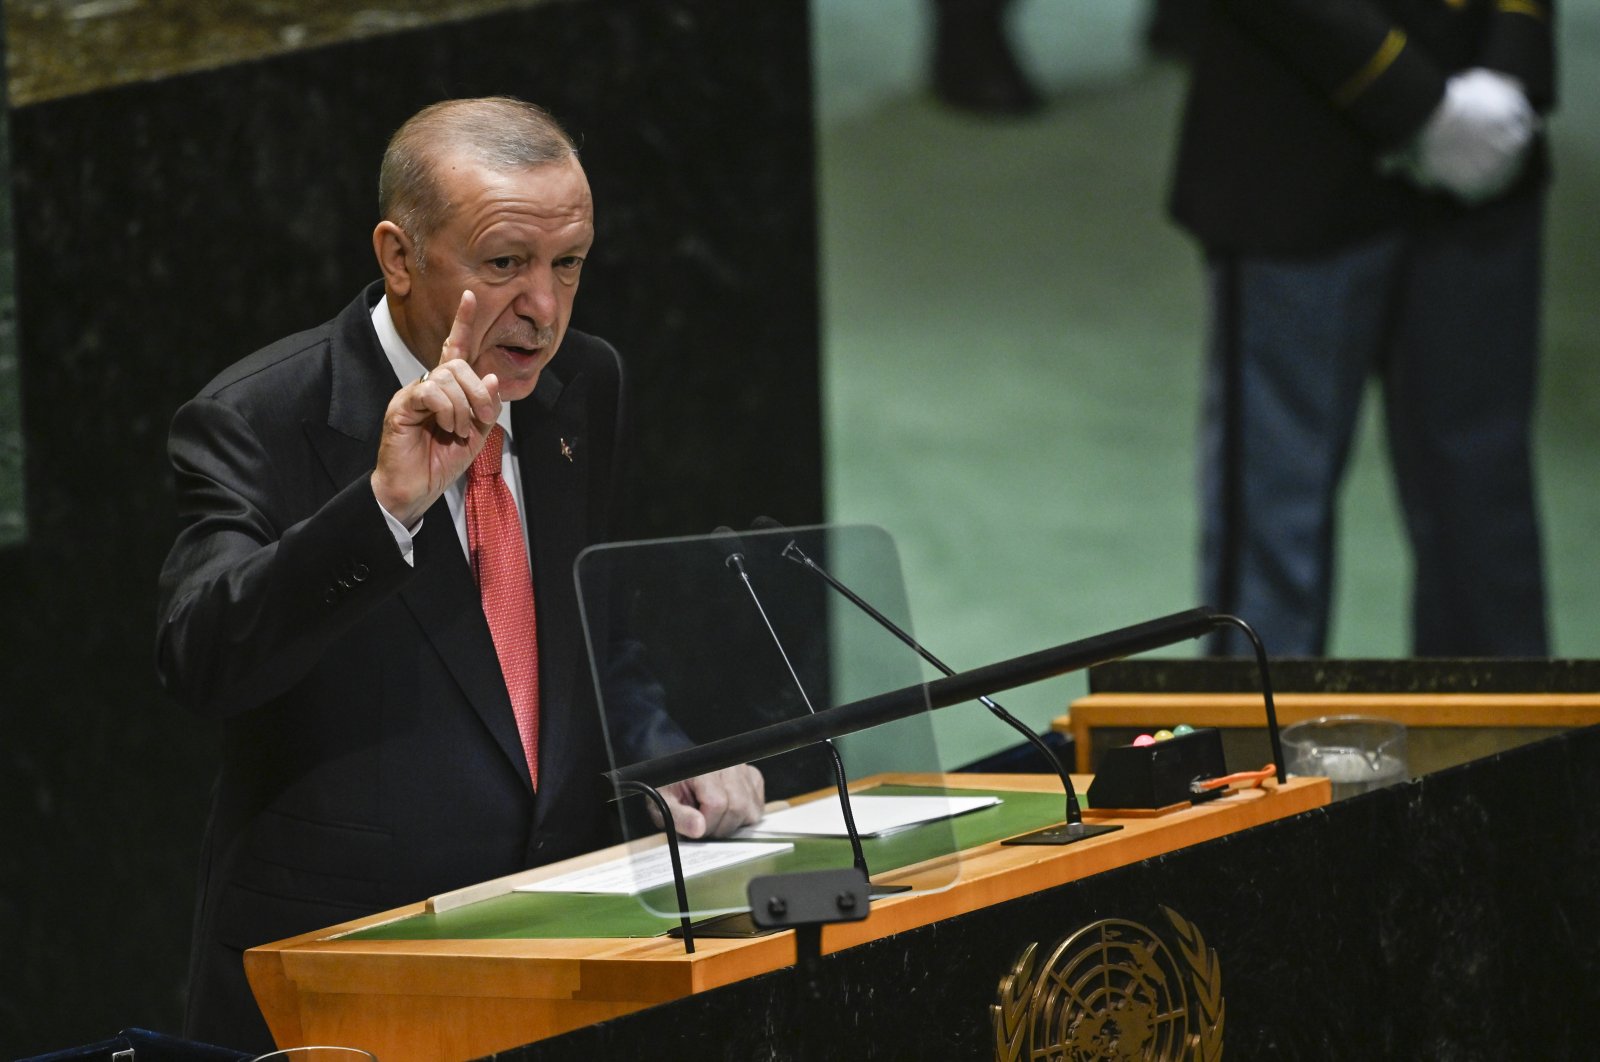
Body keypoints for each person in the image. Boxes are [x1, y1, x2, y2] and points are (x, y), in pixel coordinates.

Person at [156, 97, 764, 1051]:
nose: (545, 309)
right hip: (347, 975)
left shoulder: (585, 388)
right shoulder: (259, 417)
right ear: (399, 256)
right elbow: (202, 661)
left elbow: (590, 639)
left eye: (568, 264)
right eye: (504, 263)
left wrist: (668, 759)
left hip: (563, 951)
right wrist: (382, 511)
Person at [1169, 0, 1555, 657]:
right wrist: (1417, 103)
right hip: (1294, 146)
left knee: (1486, 522)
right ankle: (1257, 760)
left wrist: (1511, 61)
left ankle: (1516, 759)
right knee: (1272, 535)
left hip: (1488, 149)